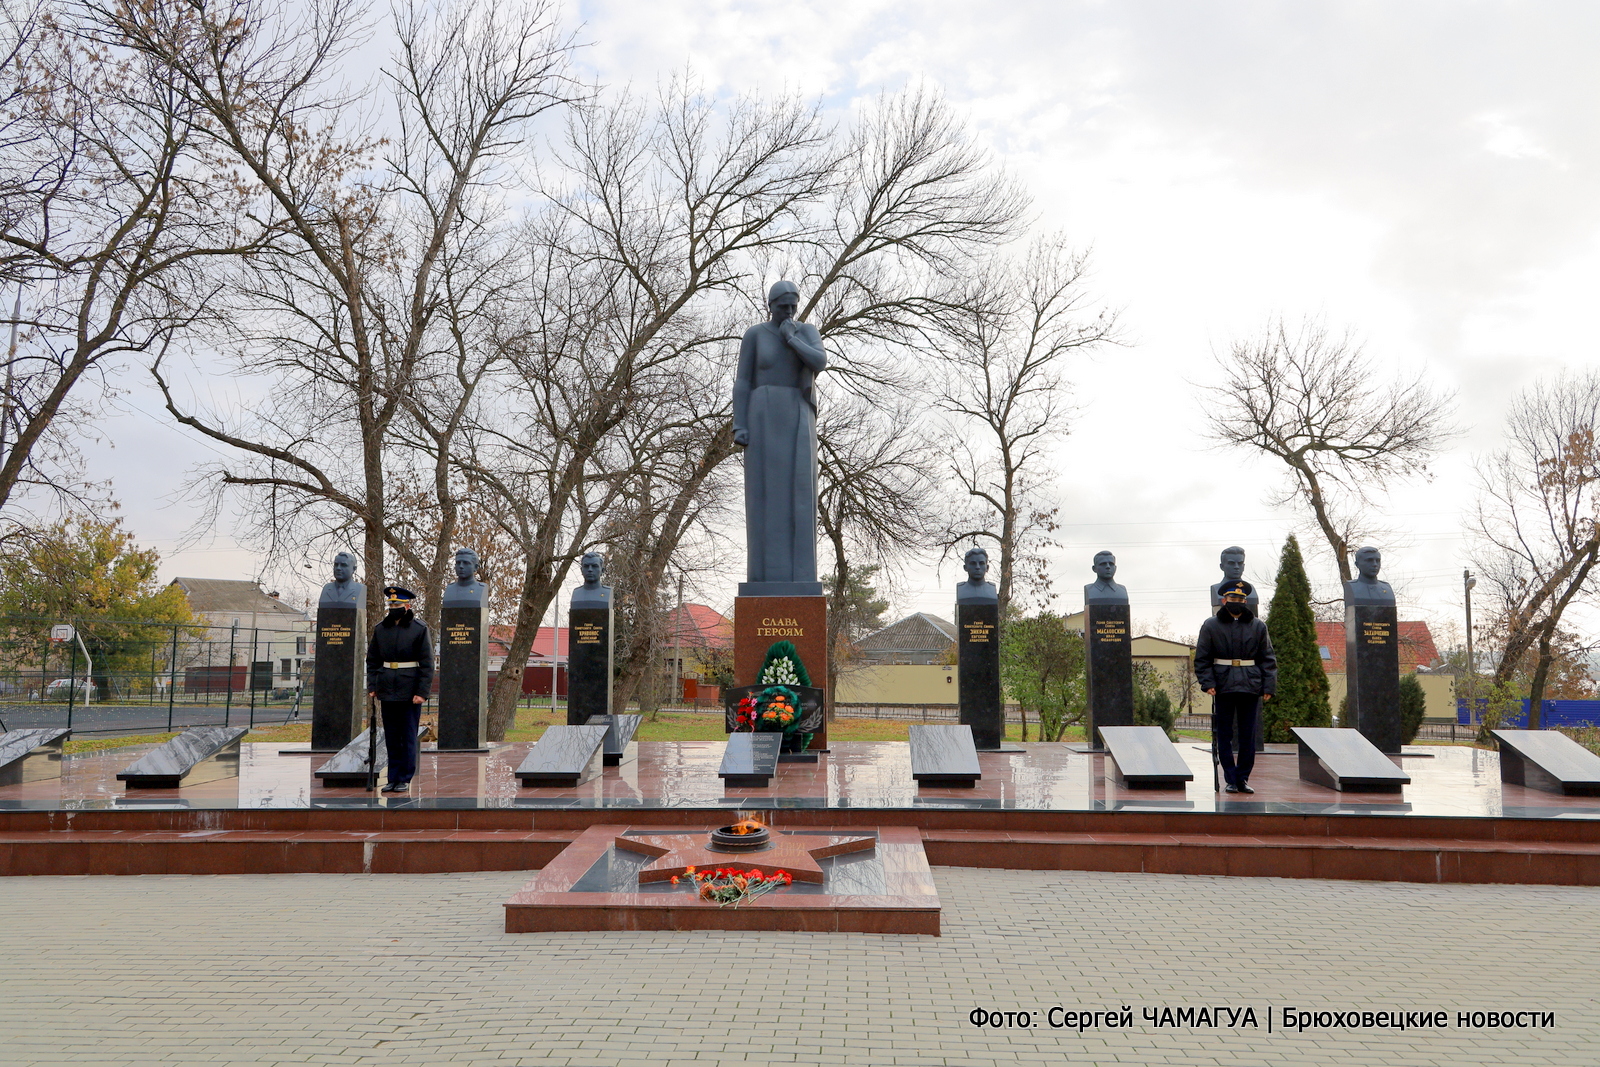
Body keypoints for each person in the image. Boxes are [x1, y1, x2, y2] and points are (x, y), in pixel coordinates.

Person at [732, 280, 827, 591]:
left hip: (798, 415)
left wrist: (792, 340)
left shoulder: (806, 331)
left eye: (793, 305)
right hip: (761, 417)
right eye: (782, 305)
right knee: (764, 494)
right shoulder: (755, 335)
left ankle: (800, 576)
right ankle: (763, 576)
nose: (788, 311)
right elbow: (743, 381)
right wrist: (739, 424)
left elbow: (819, 362)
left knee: (799, 492)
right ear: (770, 305)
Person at [1195, 579, 1276, 794]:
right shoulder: (1211, 625)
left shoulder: (1258, 626)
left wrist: (1268, 686)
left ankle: (1243, 778)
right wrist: (1208, 683)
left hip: (1250, 685)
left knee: (1248, 735)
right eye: (1233, 598)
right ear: (1224, 600)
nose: (1237, 602)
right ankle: (1230, 778)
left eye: (1241, 599)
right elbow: (1202, 658)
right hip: (1223, 685)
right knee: (1224, 734)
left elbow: (1267, 658)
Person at [365, 586, 434, 793]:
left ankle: (404, 777)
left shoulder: (419, 629)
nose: (393, 607)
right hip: (387, 688)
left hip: (409, 689)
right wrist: (373, 685)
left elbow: (427, 664)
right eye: (391, 604)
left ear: (407, 606)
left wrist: (422, 692)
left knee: (407, 735)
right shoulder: (380, 629)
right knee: (392, 736)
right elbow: (373, 660)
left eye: (397, 604)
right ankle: (392, 777)